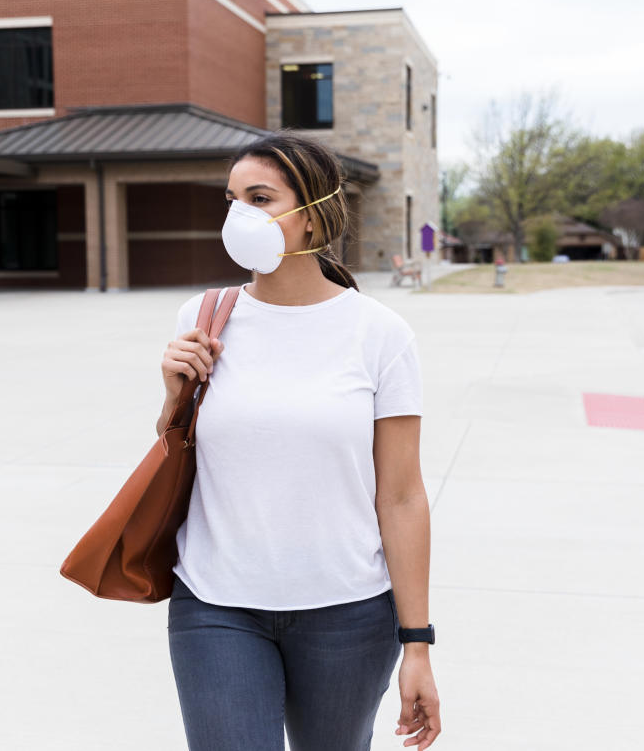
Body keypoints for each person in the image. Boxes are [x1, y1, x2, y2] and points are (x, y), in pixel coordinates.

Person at [156, 132, 441, 750]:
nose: (240, 215)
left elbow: (401, 496)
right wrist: (176, 395)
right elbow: (177, 450)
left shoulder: (380, 335)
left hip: (348, 613)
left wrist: (417, 642)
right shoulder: (202, 319)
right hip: (216, 603)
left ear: (313, 214)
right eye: (231, 198)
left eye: (260, 197)